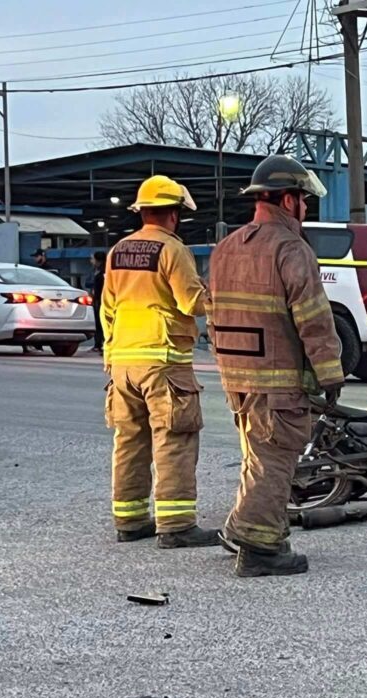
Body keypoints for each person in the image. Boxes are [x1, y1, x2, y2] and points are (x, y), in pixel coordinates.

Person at [208, 155, 344, 577]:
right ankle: (260, 548)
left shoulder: (226, 247)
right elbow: (314, 318)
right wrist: (330, 372)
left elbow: (213, 314)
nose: (305, 208)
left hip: (238, 379)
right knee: (277, 461)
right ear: (288, 200)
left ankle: (240, 528)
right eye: (303, 200)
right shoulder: (291, 248)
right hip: (280, 380)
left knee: (257, 457)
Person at [101, 175, 220, 549]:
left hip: (122, 362)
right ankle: (176, 525)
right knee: (175, 439)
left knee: (129, 440)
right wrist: (217, 298)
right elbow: (190, 302)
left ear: (143, 212)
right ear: (172, 214)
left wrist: (110, 354)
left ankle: (130, 519)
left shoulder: (118, 251)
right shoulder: (172, 250)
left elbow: (107, 309)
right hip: (164, 360)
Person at [90, 251, 107, 354]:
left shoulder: (103, 272)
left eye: (92, 259)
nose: (91, 261)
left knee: (101, 323)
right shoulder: (98, 271)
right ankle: (98, 344)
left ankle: (101, 344)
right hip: (99, 300)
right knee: (99, 323)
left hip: (102, 301)